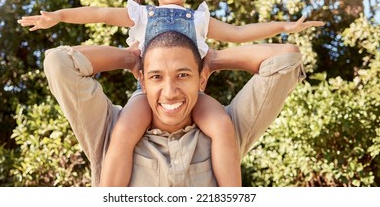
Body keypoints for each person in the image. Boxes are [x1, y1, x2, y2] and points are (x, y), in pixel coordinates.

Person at [18, 0, 324, 186]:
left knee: (221, 125)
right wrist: (59, 16)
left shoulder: (200, 19)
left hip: (195, 95)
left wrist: (283, 27)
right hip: (145, 96)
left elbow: (240, 33)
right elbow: (98, 13)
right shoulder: (141, 15)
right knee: (123, 132)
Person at [43, 30, 306, 186]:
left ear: (201, 79)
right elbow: (58, 62)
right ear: (142, 81)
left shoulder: (228, 128)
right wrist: (128, 58)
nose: (170, 92)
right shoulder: (108, 128)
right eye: (156, 77)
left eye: (183, 75)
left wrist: (214, 60)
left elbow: (286, 59)